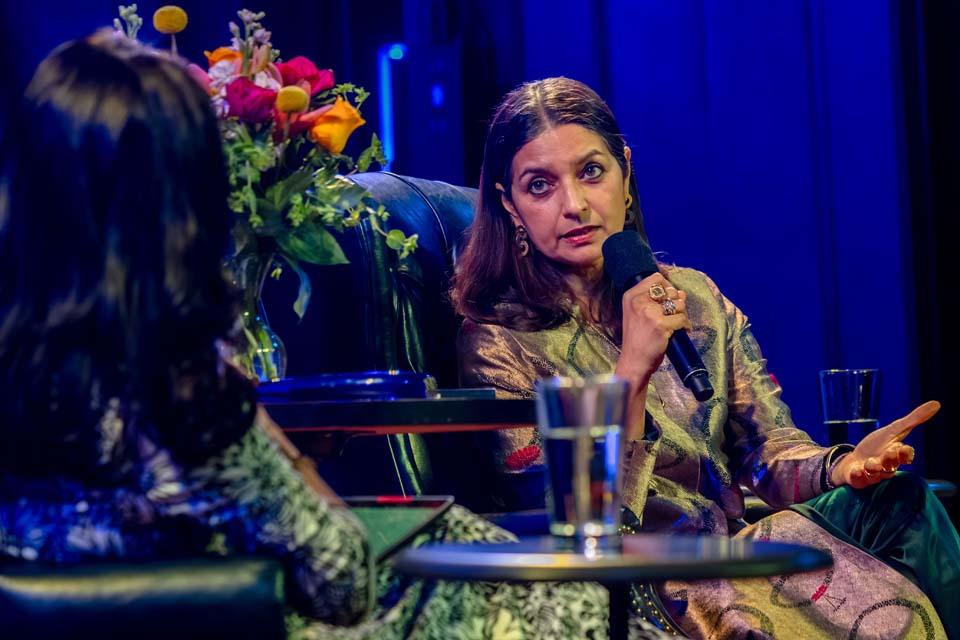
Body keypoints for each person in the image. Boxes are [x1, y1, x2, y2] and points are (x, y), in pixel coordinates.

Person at [0, 36, 674, 640]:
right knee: (587, 604)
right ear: (182, 200)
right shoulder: (184, 392)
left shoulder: (36, 376)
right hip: (304, 620)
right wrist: (280, 451)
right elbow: (343, 578)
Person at [452, 76, 960, 639]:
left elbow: (766, 451)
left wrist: (839, 466)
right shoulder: (497, 344)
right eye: (540, 186)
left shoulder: (694, 297)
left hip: (741, 542)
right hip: (647, 580)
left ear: (625, 173)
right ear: (510, 205)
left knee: (902, 500)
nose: (573, 205)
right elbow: (571, 520)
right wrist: (633, 373)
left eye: (591, 172)